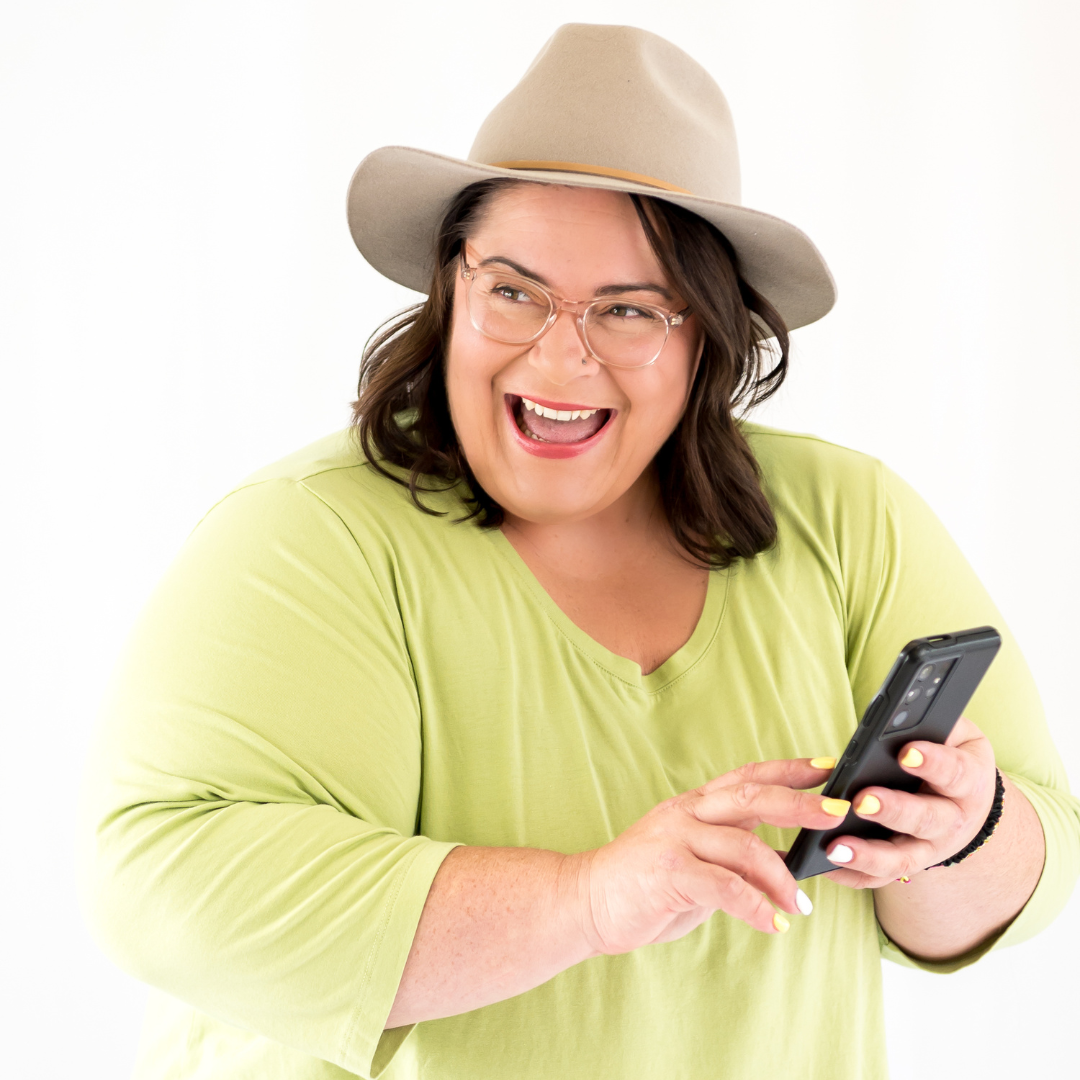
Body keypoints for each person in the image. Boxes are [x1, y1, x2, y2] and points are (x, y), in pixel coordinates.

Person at [80, 23, 1079, 1080]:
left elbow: (1032, 868)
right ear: (451, 291)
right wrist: (590, 899)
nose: (560, 359)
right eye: (513, 291)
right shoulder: (304, 537)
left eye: (627, 310)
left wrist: (964, 830)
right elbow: (161, 886)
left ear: (706, 339)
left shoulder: (848, 517)